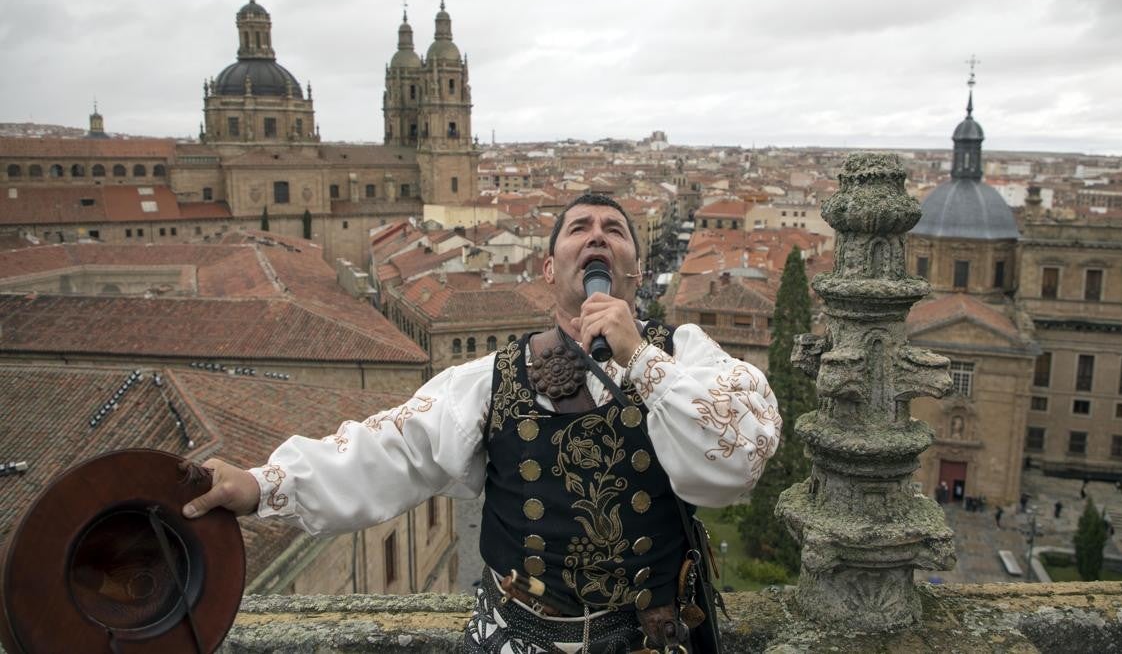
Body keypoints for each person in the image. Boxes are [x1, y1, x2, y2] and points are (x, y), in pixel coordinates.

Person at [181, 194, 782, 653]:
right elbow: (392, 448)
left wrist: (643, 360)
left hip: (658, 638)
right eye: (579, 228)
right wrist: (262, 485)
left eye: (613, 230)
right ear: (550, 270)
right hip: (522, 640)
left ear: (634, 271)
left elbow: (734, 465)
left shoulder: (686, 355)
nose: (596, 236)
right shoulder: (488, 378)